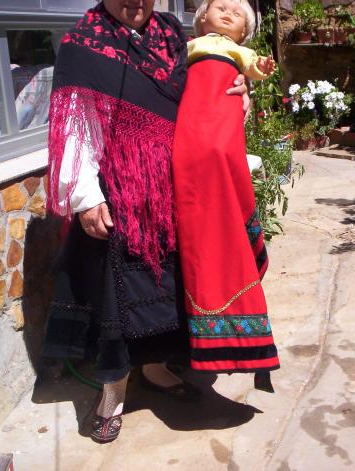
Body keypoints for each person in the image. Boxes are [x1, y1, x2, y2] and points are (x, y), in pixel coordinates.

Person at [43, 0, 249, 444]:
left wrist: (238, 87)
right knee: (119, 299)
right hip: (118, 191)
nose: (136, 2)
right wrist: (85, 196)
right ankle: (112, 394)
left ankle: (155, 370)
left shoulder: (172, 35)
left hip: (176, 188)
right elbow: (77, 124)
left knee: (169, 291)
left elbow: (205, 85)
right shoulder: (84, 44)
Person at [171, 0, 280, 384]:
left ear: (245, 32)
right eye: (221, 6)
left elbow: (256, 67)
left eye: (238, 13)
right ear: (201, 17)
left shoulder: (237, 54)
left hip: (220, 131)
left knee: (223, 178)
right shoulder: (186, 48)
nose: (229, 12)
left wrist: (257, 74)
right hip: (189, 134)